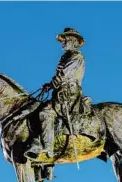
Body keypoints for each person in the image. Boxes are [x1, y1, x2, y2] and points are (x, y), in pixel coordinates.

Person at [25, 27, 92, 161]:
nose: (62, 43)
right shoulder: (66, 56)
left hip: (68, 94)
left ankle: (47, 148)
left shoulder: (76, 56)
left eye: (64, 40)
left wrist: (51, 85)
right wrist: (50, 86)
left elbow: (64, 74)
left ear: (72, 41)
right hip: (60, 92)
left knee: (45, 112)